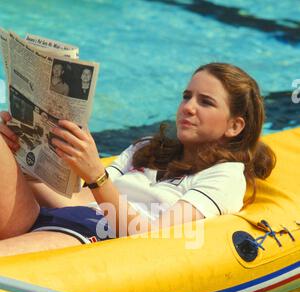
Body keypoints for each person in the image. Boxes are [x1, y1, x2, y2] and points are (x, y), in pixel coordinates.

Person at [0, 63, 276, 257]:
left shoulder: (225, 175)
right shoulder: (146, 149)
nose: (188, 107)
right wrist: (22, 165)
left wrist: (96, 175)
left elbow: (150, 238)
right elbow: (77, 202)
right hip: (64, 216)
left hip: (98, 235)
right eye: (186, 96)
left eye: (206, 102)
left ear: (235, 126)